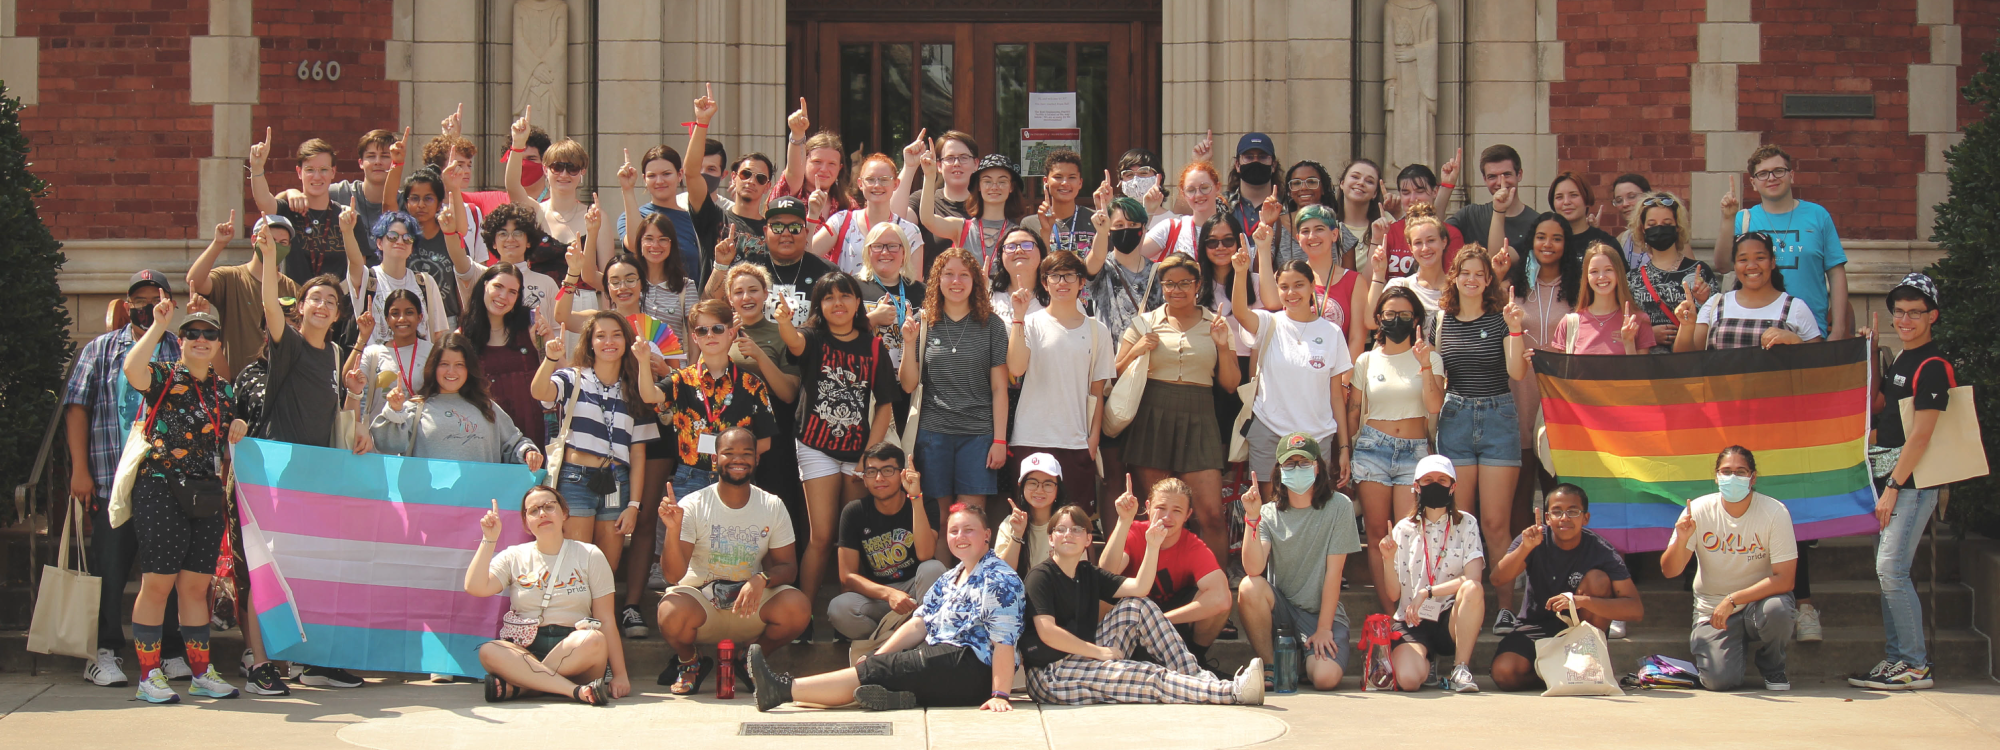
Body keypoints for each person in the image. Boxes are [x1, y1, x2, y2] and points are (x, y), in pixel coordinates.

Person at [748, 501, 1023, 712]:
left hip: (973, 668)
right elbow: (918, 623)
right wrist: (878, 654)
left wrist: (999, 695)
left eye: (969, 530)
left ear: (987, 535)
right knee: (883, 667)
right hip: (943, 660)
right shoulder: (950, 577)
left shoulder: (999, 578)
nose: (960, 536)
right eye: (953, 531)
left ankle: (783, 690)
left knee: (879, 672)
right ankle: (898, 696)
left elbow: (1004, 642)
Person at [118, 299, 252, 703]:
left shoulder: (223, 390)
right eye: (192, 333)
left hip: (206, 492)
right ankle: (148, 676)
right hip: (160, 487)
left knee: (196, 587)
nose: (201, 339)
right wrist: (158, 326)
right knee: (157, 584)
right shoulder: (162, 375)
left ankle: (200, 673)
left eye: (209, 334)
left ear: (218, 344)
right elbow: (131, 370)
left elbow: (227, 432)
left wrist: (239, 426)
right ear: (181, 341)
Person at [64, 270, 187, 689]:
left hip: (164, 484)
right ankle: (104, 651)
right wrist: (79, 470)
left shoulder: (179, 348)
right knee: (109, 571)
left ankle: (170, 651)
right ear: (126, 302)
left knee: (164, 570)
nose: (147, 304)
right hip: (110, 479)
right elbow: (77, 408)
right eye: (140, 298)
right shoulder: (100, 350)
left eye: (156, 297)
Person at [1022, 505, 1263, 705]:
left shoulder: (1086, 572)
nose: (1068, 535)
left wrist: (1153, 545)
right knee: (1147, 675)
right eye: (1060, 529)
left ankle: (1197, 677)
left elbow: (1139, 588)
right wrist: (1098, 652)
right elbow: (1048, 633)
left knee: (1137, 606)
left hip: (1083, 657)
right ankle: (1232, 692)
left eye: (1076, 529)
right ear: (1050, 538)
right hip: (1050, 674)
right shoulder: (1040, 576)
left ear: (1088, 539)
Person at [638, 298, 779, 636]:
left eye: (718, 328)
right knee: (688, 551)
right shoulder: (681, 380)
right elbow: (648, 396)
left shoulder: (751, 383)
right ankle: (683, 621)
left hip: (735, 482)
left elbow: (766, 440)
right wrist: (644, 361)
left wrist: (737, 461)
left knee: (728, 546)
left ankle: (731, 621)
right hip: (690, 475)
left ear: (732, 333)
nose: (711, 334)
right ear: (694, 336)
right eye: (702, 329)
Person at [775, 271, 900, 632]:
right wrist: (785, 323)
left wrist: (869, 455)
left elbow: (886, 405)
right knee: (821, 536)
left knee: (852, 536)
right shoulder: (813, 338)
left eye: (845, 296)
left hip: (858, 449)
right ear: (819, 306)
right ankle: (802, 617)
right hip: (816, 446)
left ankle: (852, 620)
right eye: (828, 298)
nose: (838, 304)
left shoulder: (872, 346)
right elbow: (795, 343)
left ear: (858, 303)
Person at [1848, 273, 1951, 690]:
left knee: (1891, 569)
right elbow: (1883, 415)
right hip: (1888, 479)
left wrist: (1893, 487)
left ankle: (1913, 663)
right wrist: (1871, 354)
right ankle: (1898, 660)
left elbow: (1922, 436)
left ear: (1933, 316)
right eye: (1900, 311)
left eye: (1915, 312)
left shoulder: (1932, 365)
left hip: (1911, 482)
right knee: (1888, 570)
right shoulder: (1904, 358)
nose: (1905, 319)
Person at [656, 427, 812, 693]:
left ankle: (749, 659)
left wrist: (762, 578)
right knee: (670, 610)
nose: (738, 459)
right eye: (729, 453)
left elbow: (789, 567)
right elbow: (672, 575)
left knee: (798, 607)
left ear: (757, 460)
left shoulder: (772, 505)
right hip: (702, 605)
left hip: (747, 605)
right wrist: (672, 530)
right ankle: (689, 662)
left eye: (746, 453)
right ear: (715, 459)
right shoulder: (694, 504)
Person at [1116, 253, 1241, 565]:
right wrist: (1137, 349)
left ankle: (1215, 588)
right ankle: (1154, 585)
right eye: (1169, 283)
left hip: (1200, 418)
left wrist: (1223, 345)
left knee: (1211, 513)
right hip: (1152, 415)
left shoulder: (1217, 323)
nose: (1177, 289)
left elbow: (1230, 383)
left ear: (1198, 285)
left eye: (1185, 282)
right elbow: (1114, 371)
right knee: (1156, 513)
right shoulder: (1144, 323)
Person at [464, 487, 629, 705]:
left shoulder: (590, 554)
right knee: (489, 651)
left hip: (576, 648)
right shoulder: (514, 556)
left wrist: (620, 675)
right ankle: (573, 691)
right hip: (526, 648)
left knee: (594, 639)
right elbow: (475, 587)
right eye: (533, 510)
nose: (542, 513)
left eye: (549, 507)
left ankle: (522, 687)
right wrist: (489, 540)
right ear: (526, 523)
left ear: (564, 514)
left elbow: (606, 619)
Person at [529, 309, 665, 566]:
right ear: (590, 343)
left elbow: (638, 453)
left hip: (617, 481)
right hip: (575, 479)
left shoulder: (636, 389)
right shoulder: (572, 377)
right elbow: (539, 392)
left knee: (606, 568)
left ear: (627, 341)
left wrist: (634, 504)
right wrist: (550, 359)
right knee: (575, 564)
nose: (609, 342)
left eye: (616, 335)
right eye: (600, 336)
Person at [1662, 446, 1800, 691]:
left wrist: (1733, 599)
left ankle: (1773, 666)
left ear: (1753, 477)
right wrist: (1682, 538)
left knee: (1778, 610)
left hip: (1759, 604)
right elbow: (1670, 571)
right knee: (1719, 681)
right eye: (1726, 472)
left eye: (1740, 471)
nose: (1732, 478)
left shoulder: (1774, 512)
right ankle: (1726, 651)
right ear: (1716, 477)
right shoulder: (1699, 510)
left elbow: (1785, 580)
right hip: (1711, 609)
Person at [1487, 484, 1644, 692]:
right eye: (1557, 511)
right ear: (1547, 517)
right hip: (1536, 626)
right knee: (1504, 673)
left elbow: (1635, 610)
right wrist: (1525, 549)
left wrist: (1583, 601)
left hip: (1579, 629)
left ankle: (1585, 664)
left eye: (1573, 512)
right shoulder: (1533, 539)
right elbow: (1497, 579)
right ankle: (1563, 677)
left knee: (1598, 579)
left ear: (1585, 518)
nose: (1564, 518)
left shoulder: (1600, 550)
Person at [1237, 433, 1363, 691]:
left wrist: (1324, 628)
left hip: (1320, 615)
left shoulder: (1340, 506)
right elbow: (1254, 569)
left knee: (1325, 678)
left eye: (1304, 463)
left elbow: (1334, 573)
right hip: (1282, 611)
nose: (1297, 469)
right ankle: (1272, 666)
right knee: (1249, 586)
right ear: (1279, 470)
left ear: (1318, 467)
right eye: (1289, 464)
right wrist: (1252, 518)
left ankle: (1300, 662)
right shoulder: (1268, 513)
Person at [1347, 286, 1444, 613]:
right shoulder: (1366, 359)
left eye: (1404, 314)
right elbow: (1353, 409)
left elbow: (1435, 405)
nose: (1397, 320)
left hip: (1415, 453)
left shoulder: (1430, 357)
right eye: (1390, 315)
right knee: (1376, 534)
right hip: (1372, 448)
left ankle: (1408, 608)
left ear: (1416, 318)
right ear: (1378, 320)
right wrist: (1345, 452)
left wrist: (1425, 364)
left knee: (1408, 532)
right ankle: (1388, 612)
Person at [1432, 246, 1528, 568]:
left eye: (1478, 274)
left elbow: (1517, 372)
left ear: (1489, 279)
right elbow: (1434, 378)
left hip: (1497, 418)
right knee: (1461, 521)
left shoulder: (1502, 320)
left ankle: (1504, 608)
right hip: (1455, 418)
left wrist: (1515, 329)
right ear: (1454, 278)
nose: (1471, 279)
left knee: (1495, 524)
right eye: (1465, 273)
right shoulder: (1440, 322)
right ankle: (1462, 603)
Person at [899, 248, 1011, 518]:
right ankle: (940, 564)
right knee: (938, 519)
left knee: (969, 518)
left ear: (976, 281)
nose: (956, 281)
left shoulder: (992, 325)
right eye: (948, 274)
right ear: (938, 280)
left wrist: (999, 440)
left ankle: (967, 563)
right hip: (933, 434)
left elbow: (999, 388)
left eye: (964, 275)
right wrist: (909, 342)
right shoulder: (924, 321)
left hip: (978, 436)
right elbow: (908, 385)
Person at [1231, 253, 1352, 502]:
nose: (1291, 292)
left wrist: (1343, 448)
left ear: (1311, 287)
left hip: (1318, 436)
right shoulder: (1268, 322)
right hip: (1269, 430)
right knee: (1271, 509)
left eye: (1299, 285)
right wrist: (1241, 272)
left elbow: (1336, 396)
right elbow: (1241, 313)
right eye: (1284, 287)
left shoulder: (1332, 332)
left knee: (1315, 508)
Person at [1005, 250, 1114, 516]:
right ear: (1044, 282)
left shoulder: (1097, 331)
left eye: (1069, 275)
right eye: (1054, 276)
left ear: (1081, 282)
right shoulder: (1029, 323)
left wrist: (1093, 440)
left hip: (1076, 441)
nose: (1062, 282)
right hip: (1032, 436)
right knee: (1029, 520)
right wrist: (1018, 317)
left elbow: (1097, 391)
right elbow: (1016, 368)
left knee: (1076, 521)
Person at [1099, 478, 1233, 674]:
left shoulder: (1192, 545)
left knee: (1216, 603)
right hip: (1130, 622)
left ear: (1188, 515)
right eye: (1161, 508)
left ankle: (1196, 658)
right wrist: (1123, 520)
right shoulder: (1134, 532)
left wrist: (1158, 621)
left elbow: (1221, 599)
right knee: (1101, 594)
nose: (1167, 517)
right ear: (1148, 507)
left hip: (1172, 625)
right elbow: (1104, 575)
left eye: (1177, 511)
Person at [1377, 455, 1486, 692]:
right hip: (1413, 620)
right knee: (1407, 680)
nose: (1434, 484)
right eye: (1427, 480)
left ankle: (1461, 668)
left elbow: (1473, 578)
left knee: (1473, 590)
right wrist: (1387, 560)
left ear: (1452, 486)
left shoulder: (1467, 524)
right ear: (1416, 487)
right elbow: (1394, 593)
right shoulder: (1403, 529)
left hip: (1449, 618)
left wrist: (1427, 592)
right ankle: (1427, 662)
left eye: (1441, 480)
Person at [1719, 144, 1850, 339]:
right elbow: (1722, 265)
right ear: (1753, 183)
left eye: (1778, 171)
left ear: (1792, 175)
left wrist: (1839, 329)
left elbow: (1836, 273)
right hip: (1755, 329)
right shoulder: (1744, 220)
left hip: (1811, 332)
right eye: (1763, 174)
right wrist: (1728, 219)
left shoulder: (1818, 216)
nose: (1771, 178)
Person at [370, 331, 544, 468]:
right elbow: (386, 445)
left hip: (480, 507)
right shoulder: (415, 408)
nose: (451, 372)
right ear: (433, 366)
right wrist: (394, 411)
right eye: (444, 364)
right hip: (430, 507)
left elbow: (513, 444)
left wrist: (528, 452)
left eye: (459, 365)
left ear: (469, 369)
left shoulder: (486, 407)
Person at [832, 443, 946, 641]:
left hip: (916, 594)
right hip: (879, 598)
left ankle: (917, 637)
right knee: (839, 608)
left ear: (902, 474)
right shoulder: (854, 512)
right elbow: (847, 576)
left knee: (933, 568)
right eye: (871, 472)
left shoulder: (925, 503)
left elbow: (925, 554)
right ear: (864, 479)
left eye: (887, 470)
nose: (879, 478)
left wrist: (915, 497)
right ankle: (896, 643)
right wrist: (888, 594)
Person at [185, 213, 300, 377]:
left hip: (278, 383)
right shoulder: (230, 277)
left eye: (283, 243)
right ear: (254, 240)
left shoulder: (293, 289)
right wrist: (218, 243)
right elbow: (194, 281)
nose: (275, 247)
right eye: (270, 240)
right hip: (234, 383)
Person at [1672, 232, 1822, 352]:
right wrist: (1686, 326)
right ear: (1735, 265)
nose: (1751, 266)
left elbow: (1819, 366)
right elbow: (1687, 360)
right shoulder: (1716, 304)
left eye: (1760, 258)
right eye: (1743, 260)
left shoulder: (1795, 308)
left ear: (1773, 262)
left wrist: (1796, 342)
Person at [248, 132, 368, 284]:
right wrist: (257, 168)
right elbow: (264, 202)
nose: (317, 177)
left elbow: (360, 271)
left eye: (323, 169)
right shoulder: (288, 210)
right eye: (310, 170)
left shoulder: (349, 217)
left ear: (333, 172)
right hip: (293, 301)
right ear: (299, 172)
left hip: (336, 302)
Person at [1256, 200, 1367, 354]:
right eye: (1305, 231)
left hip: (1335, 370)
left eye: (1319, 229)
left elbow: (1357, 338)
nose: (1312, 236)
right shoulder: (1289, 274)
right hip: (1295, 368)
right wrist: (1263, 247)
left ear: (1334, 234)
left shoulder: (1354, 281)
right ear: (1298, 238)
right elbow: (1271, 302)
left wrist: (1344, 378)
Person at [706, 196, 833, 329]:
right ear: (766, 232)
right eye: (777, 227)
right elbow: (710, 310)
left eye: (795, 227)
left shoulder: (826, 272)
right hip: (755, 348)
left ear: (806, 233)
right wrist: (721, 266)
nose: (785, 233)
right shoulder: (748, 269)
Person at [462, 262, 551, 447]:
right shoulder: (463, 336)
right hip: (489, 431)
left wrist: (543, 346)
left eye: (513, 292)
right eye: (498, 287)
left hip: (534, 426)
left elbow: (559, 373)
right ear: (485, 284)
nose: (503, 296)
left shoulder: (533, 322)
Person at [854, 222, 925, 436]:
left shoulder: (921, 291)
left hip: (909, 388)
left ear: (904, 252)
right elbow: (837, 335)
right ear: (868, 252)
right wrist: (872, 319)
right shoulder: (852, 287)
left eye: (893, 246)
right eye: (878, 246)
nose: (885, 252)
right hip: (865, 387)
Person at [345, 209, 452, 349]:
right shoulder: (367, 278)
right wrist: (347, 232)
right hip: (377, 367)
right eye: (392, 236)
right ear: (379, 243)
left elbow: (439, 334)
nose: (400, 241)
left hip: (419, 367)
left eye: (408, 238)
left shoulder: (425, 282)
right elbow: (355, 261)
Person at [1627, 192, 1719, 352]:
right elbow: (1621, 327)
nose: (1659, 228)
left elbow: (1716, 321)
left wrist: (1704, 302)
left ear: (1677, 227)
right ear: (1642, 229)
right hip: (1647, 367)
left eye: (1666, 222)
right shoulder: (1632, 278)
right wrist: (1648, 335)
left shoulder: (1700, 272)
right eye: (1652, 224)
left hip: (1689, 364)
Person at [810, 152, 924, 277]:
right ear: (860, 183)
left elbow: (915, 285)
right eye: (870, 179)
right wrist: (813, 215)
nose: (877, 185)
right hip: (848, 295)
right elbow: (807, 254)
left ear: (896, 184)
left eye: (884, 180)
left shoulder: (910, 231)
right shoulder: (842, 221)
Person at [917, 149, 1026, 274]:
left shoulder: (1018, 234)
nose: (994, 187)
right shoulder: (961, 227)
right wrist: (929, 176)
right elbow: (927, 219)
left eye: (1002, 181)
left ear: (1011, 187)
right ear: (978, 186)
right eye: (987, 181)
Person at [394, 167, 472, 327]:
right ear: (406, 203)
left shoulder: (449, 237)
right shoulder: (400, 238)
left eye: (428, 199)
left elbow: (462, 284)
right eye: (414, 198)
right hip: (406, 322)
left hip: (447, 322)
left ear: (439, 204)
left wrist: (463, 324)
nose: (421, 205)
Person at [504, 109, 592, 249]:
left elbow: (607, 269)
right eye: (557, 167)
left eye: (572, 168)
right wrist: (518, 144)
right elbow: (513, 186)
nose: (564, 174)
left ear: (583, 172)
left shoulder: (595, 218)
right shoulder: (535, 211)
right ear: (545, 169)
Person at [344, 289, 434, 424]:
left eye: (409, 312)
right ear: (387, 319)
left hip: (420, 435)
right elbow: (348, 381)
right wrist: (363, 337)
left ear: (420, 317)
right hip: (378, 436)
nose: (402, 318)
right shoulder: (374, 353)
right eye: (395, 313)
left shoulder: (432, 351)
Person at [894, 129, 981, 267]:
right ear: (939, 165)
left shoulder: (987, 204)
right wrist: (909, 166)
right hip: (930, 287)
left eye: (964, 157)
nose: (957, 163)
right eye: (950, 158)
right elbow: (894, 221)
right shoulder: (922, 199)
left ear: (976, 164)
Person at [1552, 244, 1657, 356]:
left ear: (1619, 273)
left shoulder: (1638, 320)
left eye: (1608, 269)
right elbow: (1565, 373)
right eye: (1594, 271)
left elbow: (1640, 372)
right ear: (1586, 278)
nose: (1601, 276)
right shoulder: (1569, 324)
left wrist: (1629, 343)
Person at [468, 203, 562, 325]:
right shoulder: (482, 276)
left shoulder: (547, 283)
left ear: (529, 241)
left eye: (517, 233)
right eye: (503, 234)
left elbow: (556, 330)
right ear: (493, 243)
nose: (510, 239)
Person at [616, 143, 703, 275]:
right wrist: (627, 190)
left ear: (680, 175)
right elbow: (635, 244)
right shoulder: (631, 217)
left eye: (666, 174)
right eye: (652, 176)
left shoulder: (695, 219)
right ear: (644, 179)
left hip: (689, 294)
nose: (659, 181)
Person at [1446, 144, 1537, 263]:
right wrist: (1447, 186)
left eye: (1507, 174)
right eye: (1492, 177)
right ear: (1485, 179)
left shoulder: (1536, 223)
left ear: (1519, 175)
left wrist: (1499, 210)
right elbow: (1432, 232)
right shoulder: (1471, 215)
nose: (1500, 182)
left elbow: (1497, 261)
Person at [1366, 203, 1454, 326]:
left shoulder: (1457, 289)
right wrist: (1378, 274)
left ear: (1444, 242)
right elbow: (1372, 323)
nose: (1425, 248)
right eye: (1418, 243)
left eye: (1431, 240)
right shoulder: (1400, 286)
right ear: (1410, 248)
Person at [1381, 160, 1465, 280]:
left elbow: (1452, 281)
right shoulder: (1389, 232)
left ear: (1435, 192)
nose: (1413, 199)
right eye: (1406, 193)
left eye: (1420, 191)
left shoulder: (1452, 234)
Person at [994, 453, 1067, 573]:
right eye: (1032, 483)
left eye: (1048, 484)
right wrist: (1017, 534)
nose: (1039, 490)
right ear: (1021, 487)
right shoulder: (1010, 523)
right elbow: (1003, 575)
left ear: (1058, 489)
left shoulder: (1068, 525)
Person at [1138, 161, 1222, 261]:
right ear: (1183, 194)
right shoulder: (1170, 228)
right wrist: (1147, 213)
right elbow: (1131, 255)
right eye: (1190, 190)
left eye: (1204, 188)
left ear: (1217, 187)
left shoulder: (1232, 229)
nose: (1198, 195)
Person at [1024, 149, 1098, 254]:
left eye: (1071, 177)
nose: (1064, 183)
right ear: (1046, 181)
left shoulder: (1094, 219)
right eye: (1058, 177)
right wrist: (1045, 232)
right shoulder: (1030, 224)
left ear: (1080, 183)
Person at [1268, 160, 1340, 269]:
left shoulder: (1339, 228)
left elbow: (1349, 279)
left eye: (1311, 182)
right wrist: (1267, 224)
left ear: (1323, 188)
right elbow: (1258, 270)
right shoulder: (1276, 226)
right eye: (1296, 183)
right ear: (1290, 191)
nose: (1304, 188)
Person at [1547, 171, 1619, 265]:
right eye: (1559, 197)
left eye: (1574, 195)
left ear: (1586, 198)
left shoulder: (1606, 243)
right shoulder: (1544, 242)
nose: (1566, 202)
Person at [1331, 159, 1385, 278]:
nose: (1361, 183)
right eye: (1355, 177)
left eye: (1369, 181)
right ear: (1342, 183)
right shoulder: (1328, 224)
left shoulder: (1386, 221)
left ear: (1375, 193)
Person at [1606, 172, 1652, 266]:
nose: (1625, 204)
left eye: (1631, 196)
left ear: (1648, 196)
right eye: (1619, 200)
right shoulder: (1622, 239)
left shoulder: (1668, 234)